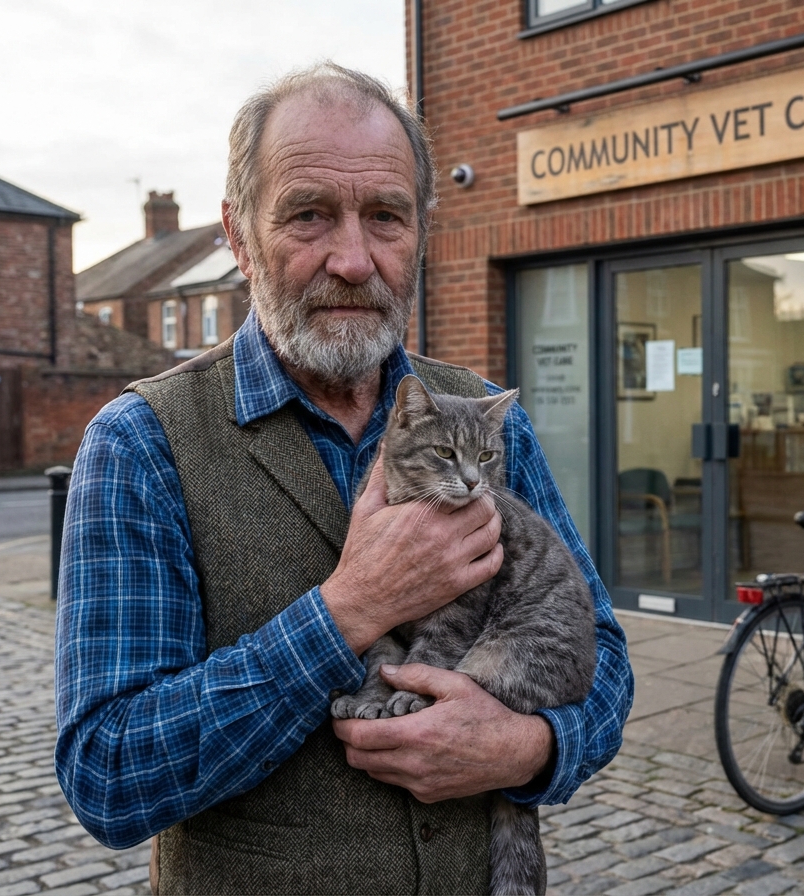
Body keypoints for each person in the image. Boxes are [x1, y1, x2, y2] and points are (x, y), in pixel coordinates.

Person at [54, 62, 633, 895]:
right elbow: (110, 774)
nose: (355, 260)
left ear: (420, 234)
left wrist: (527, 748)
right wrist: (348, 611)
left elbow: (604, 656)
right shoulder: (142, 443)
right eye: (310, 215)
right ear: (238, 235)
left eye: (386, 217)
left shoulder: (480, 411)